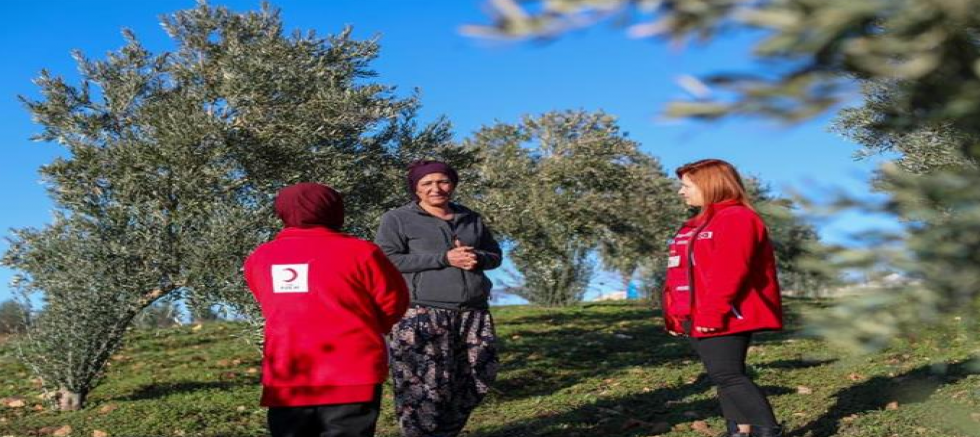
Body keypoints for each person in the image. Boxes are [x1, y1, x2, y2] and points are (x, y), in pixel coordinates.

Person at [244, 182, 409, 437]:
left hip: (289, 370)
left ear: (282, 211)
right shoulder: (363, 252)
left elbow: (266, 301)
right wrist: (369, 327)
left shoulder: (261, 257)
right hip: (354, 369)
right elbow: (393, 302)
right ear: (335, 209)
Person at [374, 160, 502, 437]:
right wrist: (443, 258)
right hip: (421, 314)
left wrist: (478, 258)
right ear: (416, 189)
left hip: (473, 314)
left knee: (477, 376)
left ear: (453, 184)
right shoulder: (397, 219)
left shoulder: (470, 218)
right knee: (423, 387)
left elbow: (495, 255)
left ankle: (446, 432)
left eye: (442, 181)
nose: (436, 188)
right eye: (427, 183)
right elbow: (387, 259)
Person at [662, 159, 784, 437]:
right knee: (725, 376)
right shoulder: (696, 224)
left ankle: (768, 431)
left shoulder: (737, 218)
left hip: (726, 313)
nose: (682, 192)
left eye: (686, 186)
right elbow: (679, 274)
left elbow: (730, 272)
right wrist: (675, 313)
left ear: (710, 185)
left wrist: (712, 313)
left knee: (728, 376)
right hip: (698, 314)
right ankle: (739, 431)